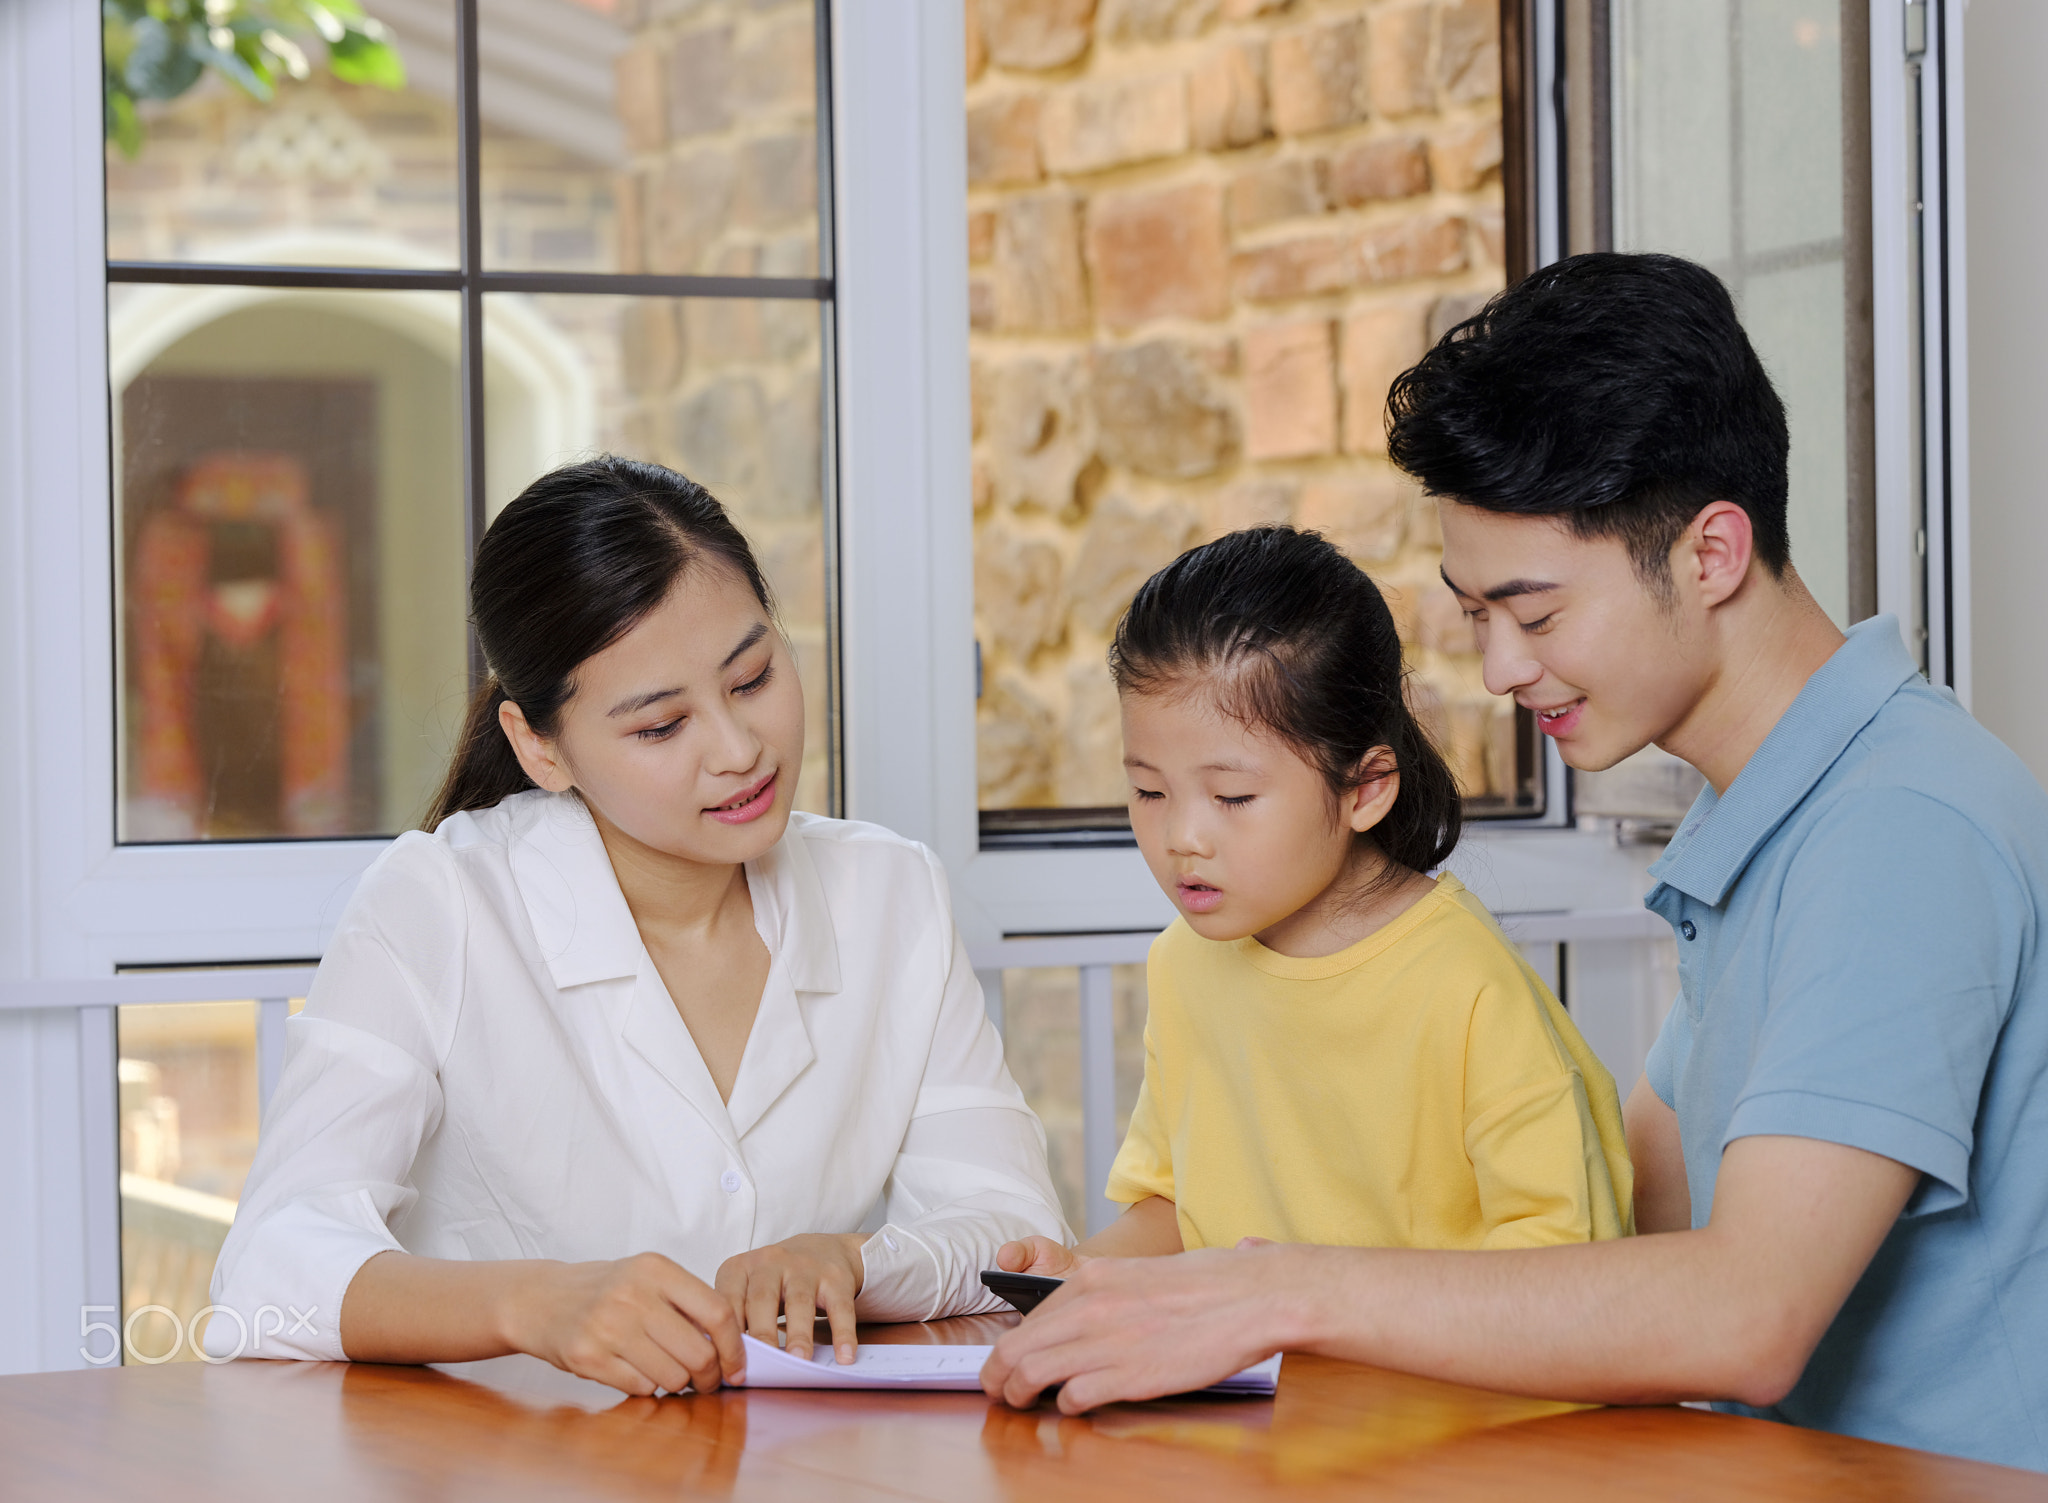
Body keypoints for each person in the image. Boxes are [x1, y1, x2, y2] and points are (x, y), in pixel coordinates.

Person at [981, 252, 2048, 1473]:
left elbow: (1746, 1313)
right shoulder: (1759, 813)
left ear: (1709, 554)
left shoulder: (1901, 827)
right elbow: (1641, 1197)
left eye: (1533, 616)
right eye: (1474, 615)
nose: (1495, 671)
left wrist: (1276, 1290)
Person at [207, 457, 1068, 1394]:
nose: (740, 750)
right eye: (661, 727)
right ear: (539, 745)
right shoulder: (441, 901)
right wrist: (532, 1304)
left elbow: (1016, 1229)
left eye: (752, 677)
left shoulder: (891, 892)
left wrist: (858, 1261)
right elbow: (269, 1270)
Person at [991, 527, 1631, 1281]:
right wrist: (1074, 1274)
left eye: (1233, 796)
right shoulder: (1185, 964)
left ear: (1364, 788)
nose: (1182, 835)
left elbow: (1566, 1273)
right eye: (1148, 790)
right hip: (1251, 1396)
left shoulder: (1466, 986)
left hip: (1444, 1398)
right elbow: (1177, 1207)